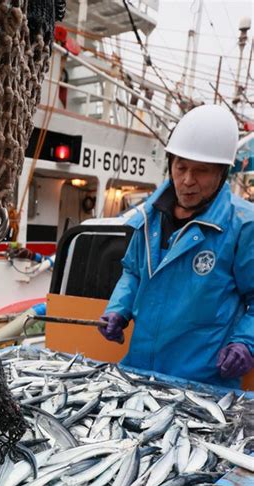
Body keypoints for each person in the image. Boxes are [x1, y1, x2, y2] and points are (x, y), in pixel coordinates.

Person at [98, 104, 254, 388]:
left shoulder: (243, 226)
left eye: (201, 171)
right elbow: (133, 272)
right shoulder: (149, 216)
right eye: (181, 167)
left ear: (221, 174)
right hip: (138, 372)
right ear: (170, 163)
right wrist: (118, 309)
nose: (187, 180)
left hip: (203, 385)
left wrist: (245, 343)